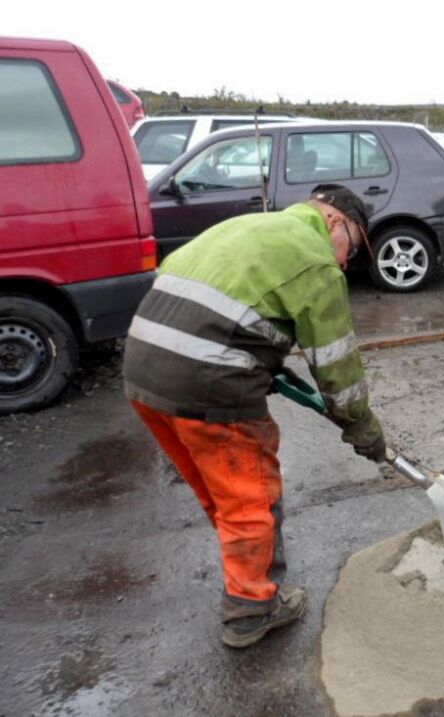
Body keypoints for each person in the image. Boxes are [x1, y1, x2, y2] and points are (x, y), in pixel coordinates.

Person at [123, 185, 386, 648]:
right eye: (353, 247)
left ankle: (247, 570)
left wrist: (259, 357)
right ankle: (252, 609)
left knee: (222, 493)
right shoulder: (315, 260)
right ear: (332, 222)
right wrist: (363, 428)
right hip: (207, 383)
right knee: (250, 499)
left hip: (144, 372)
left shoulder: (248, 226)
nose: (347, 263)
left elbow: (212, 300)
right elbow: (337, 369)